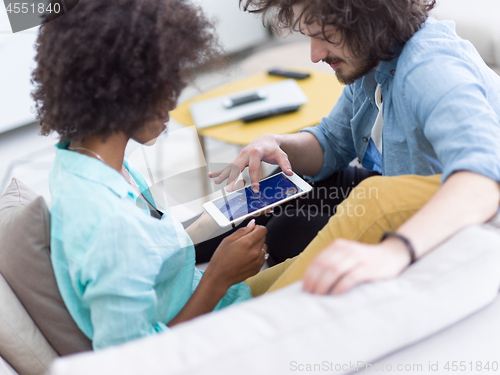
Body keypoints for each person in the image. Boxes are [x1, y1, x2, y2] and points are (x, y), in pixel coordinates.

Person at [211, 0, 500, 295]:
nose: (314, 55)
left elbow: (484, 178)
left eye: (325, 36)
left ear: (371, 18)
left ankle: (218, 288)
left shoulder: (429, 69)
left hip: (443, 214)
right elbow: (332, 142)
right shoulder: (374, 60)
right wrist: (278, 143)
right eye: (309, 36)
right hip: (392, 186)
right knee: (279, 183)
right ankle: (189, 242)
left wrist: (394, 251)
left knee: (286, 231)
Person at [32, 0, 268, 350]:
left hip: (223, 304)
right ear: (122, 88)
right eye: (164, 85)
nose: (172, 102)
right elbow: (134, 359)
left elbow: (147, 248)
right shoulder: (109, 222)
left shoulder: (84, 161)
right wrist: (218, 276)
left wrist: (212, 221)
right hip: (219, 340)